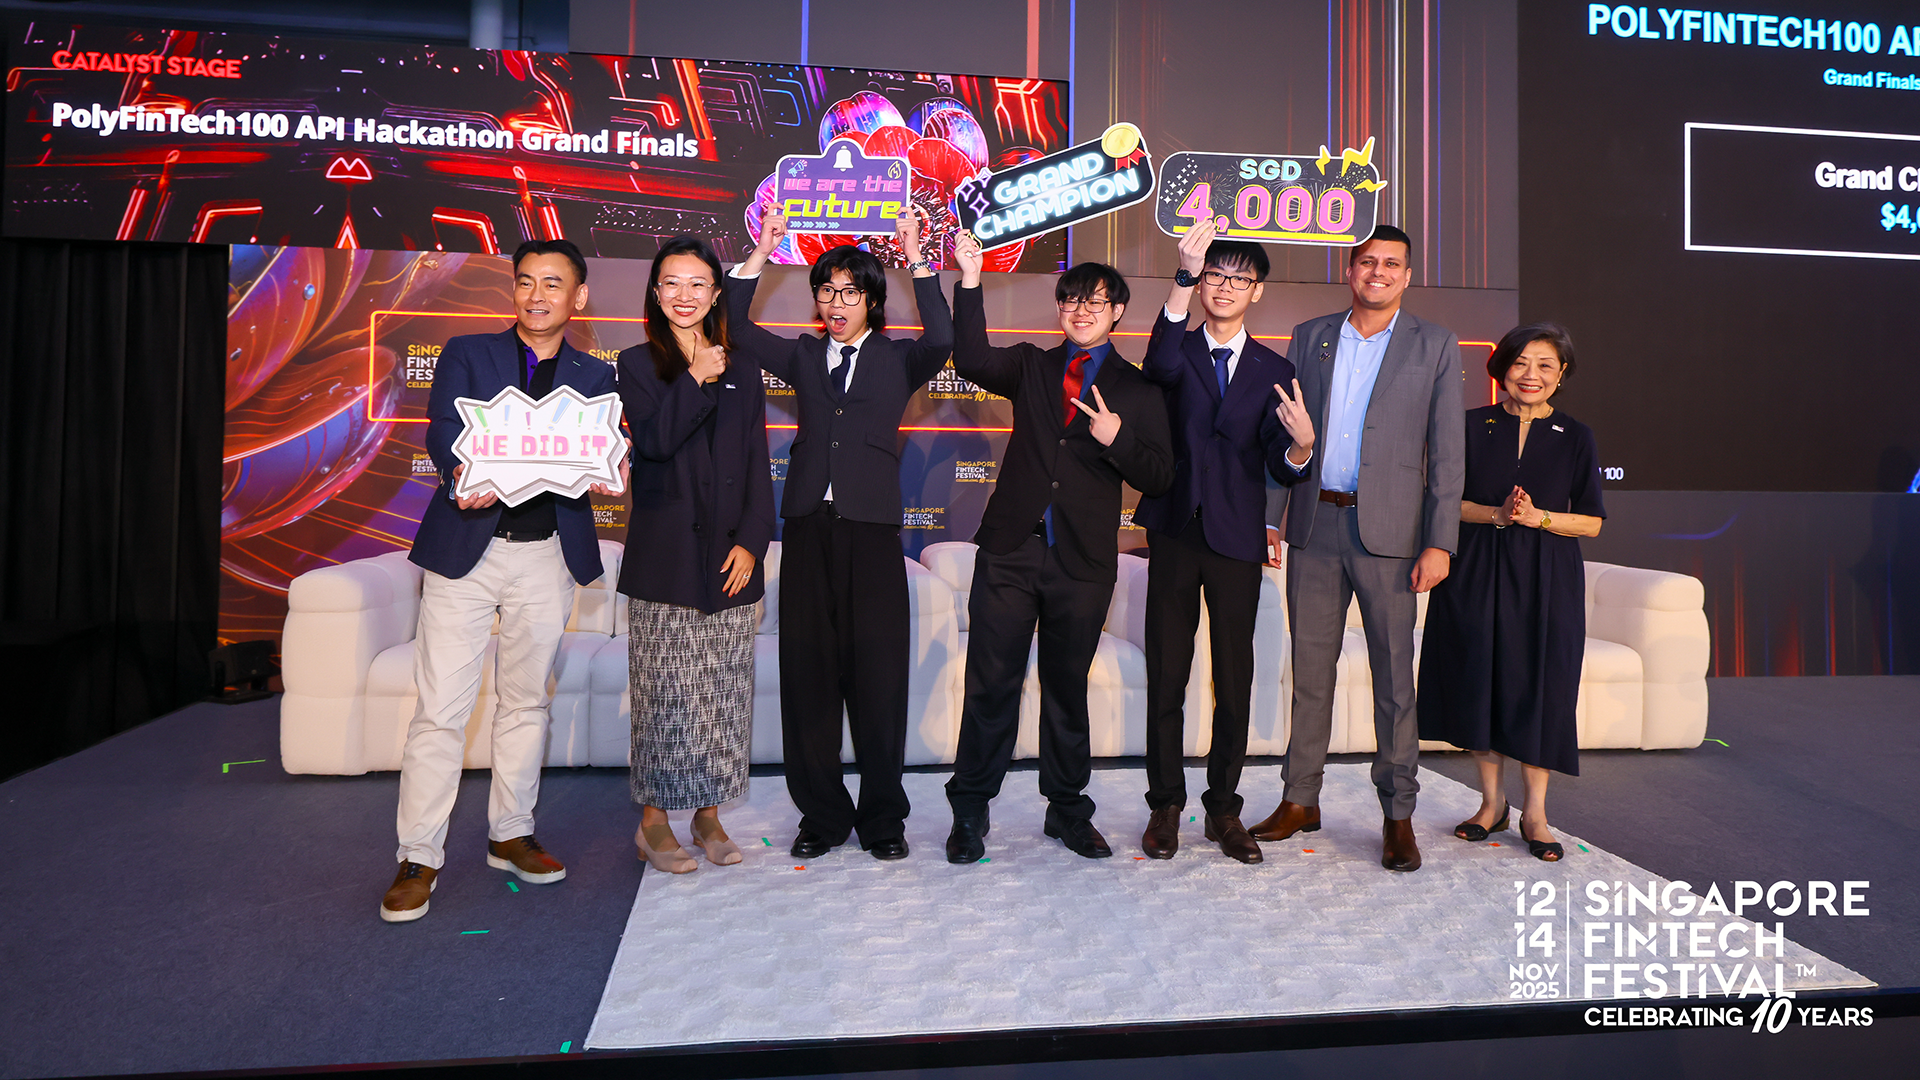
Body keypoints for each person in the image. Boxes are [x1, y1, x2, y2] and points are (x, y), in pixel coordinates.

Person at [382, 239, 623, 922]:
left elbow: (597, 452)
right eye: (525, 281)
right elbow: (441, 430)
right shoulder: (467, 352)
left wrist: (614, 464)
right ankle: (418, 856)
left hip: (547, 555)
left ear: (578, 297)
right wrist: (460, 473)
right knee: (440, 711)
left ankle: (511, 833)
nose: (536, 295)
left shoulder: (596, 376)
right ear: (513, 290)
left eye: (553, 283)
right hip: (467, 551)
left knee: (525, 704)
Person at [726, 208, 952, 862]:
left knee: (879, 678)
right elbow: (735, 326)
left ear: (872, 301)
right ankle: (821, 815)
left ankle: (883, 819)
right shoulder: (801, 354)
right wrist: (760, 252)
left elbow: (942, 335)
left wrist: (917, 256)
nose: (836, 303)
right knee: (809, 676)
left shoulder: (899, 359)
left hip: (872, 534)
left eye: (850, 292)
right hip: (807, 530)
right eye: (826, 291)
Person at [944, 231, 1175, 863]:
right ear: (1059, 308)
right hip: (1011, 549)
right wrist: (971, 280)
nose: (1082, 311)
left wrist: (1117, 438)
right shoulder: (1031, 366)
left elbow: (1160, 475)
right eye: (1072, 300)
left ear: (1117, 311)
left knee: (1067, 688)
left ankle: (1067, 808)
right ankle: (970, 808)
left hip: (1083, 560)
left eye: (1096, 302)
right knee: (991, 684)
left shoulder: (1138, 390)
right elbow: (970, 358)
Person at [1250, 224, 1465, 873]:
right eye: (1368, 261)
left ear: (1407, 275)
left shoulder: (1436, 344)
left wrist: (1440, 541)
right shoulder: (1310, 336)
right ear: (1350, 270)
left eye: (1392, 264)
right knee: (1310, 672)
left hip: (1393, 537)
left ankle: (1397, 814)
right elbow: (1283, 431)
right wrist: (1272, 517)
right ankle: (1300, 799)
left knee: (1395, 681)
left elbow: (1447, 453)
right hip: (1315, 525)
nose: (1378, 272)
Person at [1136, 216, 1314, 864]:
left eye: (1239, 279)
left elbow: (1277, 462)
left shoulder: (1275, 368)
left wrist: (1301, 447)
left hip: (1237, 537)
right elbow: (1156, 366)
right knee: (1167, 674)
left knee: (1235, 678)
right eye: (1215, 275)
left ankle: (1223, 808)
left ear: (1257, 291)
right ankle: (1165, 805)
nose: (1224, 287)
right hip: (1175, 530)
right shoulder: (1175, 347)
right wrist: (1182, 277)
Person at [616, 236, 775, 874]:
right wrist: (695, 377)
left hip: (731, 557)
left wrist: (753, 542)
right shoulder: (635, 363)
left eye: (698, 283)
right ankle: (653, 824)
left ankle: (708, 816)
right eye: (672, 283)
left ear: (715, 294)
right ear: (656, 294)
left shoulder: (743, 366)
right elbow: (654, 444)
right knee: (665, 694)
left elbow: (757, 463)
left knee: (722, 695)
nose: (685, 295)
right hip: (666, 557)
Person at [1418, 323, 1604, 862]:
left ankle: (1536, 814)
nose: (1531, 375)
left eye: (1545, 365)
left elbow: (1591, 522)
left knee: (1538, 686)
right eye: (1521, 362)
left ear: (1561, 374)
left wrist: (1537, 517)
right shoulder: (1469, 426)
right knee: (1481, 681)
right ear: (1501, 367)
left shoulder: (1576, 435)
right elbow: (1443, 501)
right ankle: (1491, 803)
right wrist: (1498, 515)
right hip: (1477, 569)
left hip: (1547, 577)